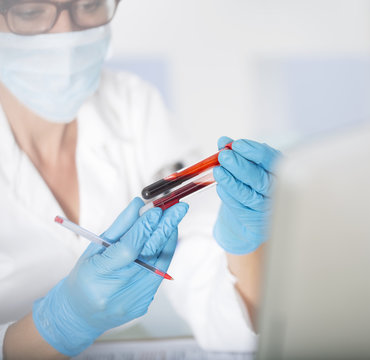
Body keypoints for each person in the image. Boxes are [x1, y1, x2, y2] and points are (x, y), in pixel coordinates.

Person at [0, 0, 280, 358]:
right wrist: (61, 323)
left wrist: (246, 246)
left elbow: (224, 321)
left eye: (89, 5)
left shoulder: (132, 106)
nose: (67, 33)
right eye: (31, 11)